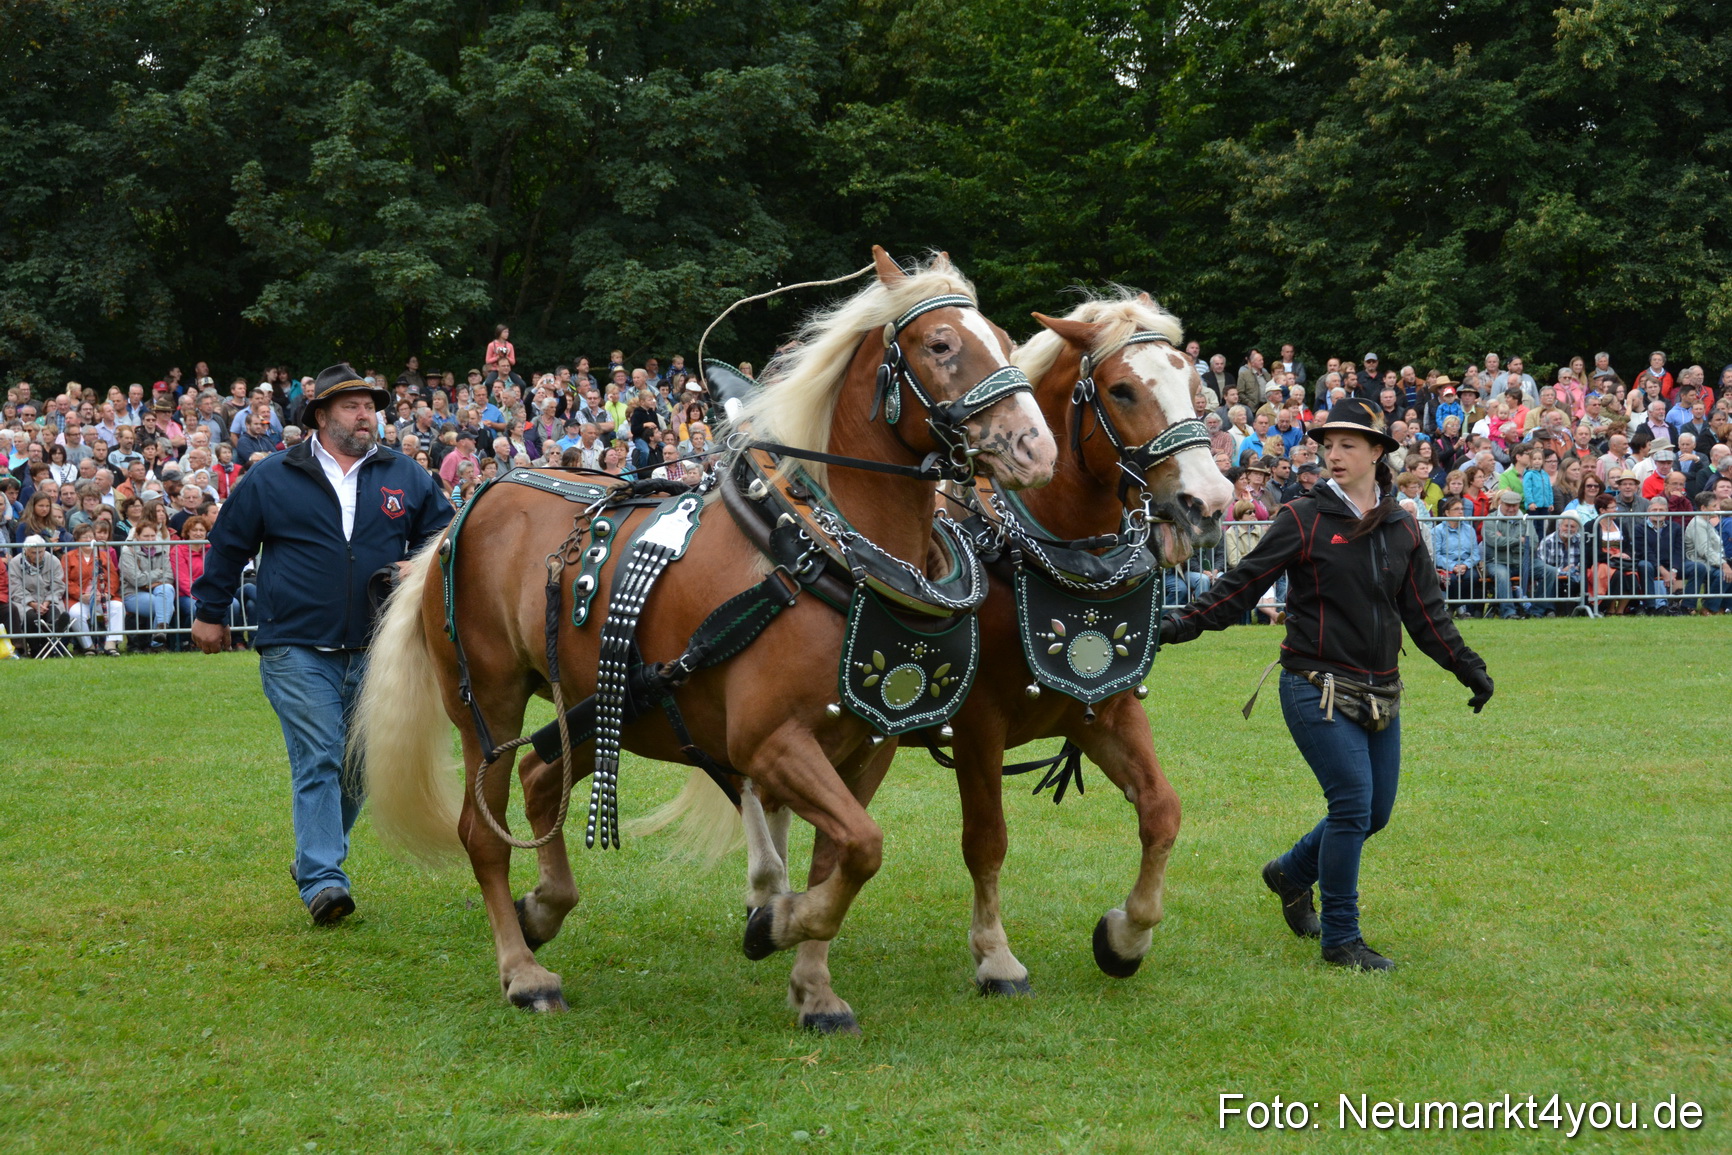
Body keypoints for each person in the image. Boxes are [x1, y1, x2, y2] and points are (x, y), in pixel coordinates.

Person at [1160, 397, 1493, 972]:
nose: (1333, 455)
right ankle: (1341, 938)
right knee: (1353, 806)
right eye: (1327, 445)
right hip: (1314, 686)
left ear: (1378, 454)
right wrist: (1175, 625)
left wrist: (1469, 667)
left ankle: (1289, 873)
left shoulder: (1402, 525)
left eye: (1348, 445)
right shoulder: (1302, 518)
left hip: (1382, 692)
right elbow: (1242, 584)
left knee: (1375, 814)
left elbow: (1425, 614)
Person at [190, 364, 452, 926]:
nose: (367, 416)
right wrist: (211, 612)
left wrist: (423, 564)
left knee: (360, 766)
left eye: (371, 407)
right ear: (321, 415)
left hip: (377, 647)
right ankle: (324, 880)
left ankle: (315, 852)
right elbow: (229, 542)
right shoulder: (273, 475)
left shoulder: (403, 474)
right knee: (320, 754)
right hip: (294, 644)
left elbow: (446, 537)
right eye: (353, 406)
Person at [7, 534, 72, 656]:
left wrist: (47, 602)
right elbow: (15, 588)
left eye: (41, 552)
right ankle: (37, 649)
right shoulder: (15, 563)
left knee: (54, 612)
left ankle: (54, 632)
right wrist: (32, 604)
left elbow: (58, 585)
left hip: (48, 599)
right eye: (33, 553)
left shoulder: (53, 560)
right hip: (25, 601)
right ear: (25, 550)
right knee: (30, 616)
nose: (38, 556)